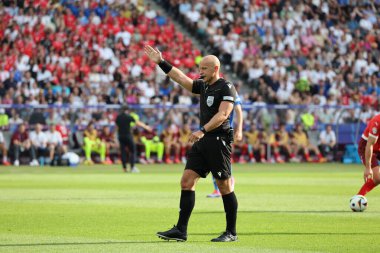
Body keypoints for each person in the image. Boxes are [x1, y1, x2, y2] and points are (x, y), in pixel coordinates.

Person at [145, 45, 238, 242]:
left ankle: (231, 232)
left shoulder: (226, 87)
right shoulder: (204, 85)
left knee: (224, 186)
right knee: (187, 181)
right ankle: (181, 230)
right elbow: (181, 79)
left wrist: (202, 130)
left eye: (204, 68)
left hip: (218, 140)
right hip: (203, 141)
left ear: (215, 69)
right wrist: (161, 62)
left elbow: (223, 115)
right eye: (200, 68)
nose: (200, 72)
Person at [207, 93, 243, 198]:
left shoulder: (229, 90)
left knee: (222, 159)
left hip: (224, 132)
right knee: (213, 160)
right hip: (211, 131)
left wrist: (239, 129)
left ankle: (226, 183)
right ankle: (219, 187)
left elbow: (238, 110)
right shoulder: (210, 90)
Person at [115, 105, 152, 173]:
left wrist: (116, 138)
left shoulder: (118, 117)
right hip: (128, 135)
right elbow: (137, 123)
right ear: (127, 110)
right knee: (133, 150)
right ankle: (132, 167)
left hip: (120, 136)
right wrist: (146, 127)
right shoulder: (128, 116)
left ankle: (124, 168)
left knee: (123, 152)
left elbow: (116, 127)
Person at [356, 114, 380, 196]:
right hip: (366, 147)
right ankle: (358, 197)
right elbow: (369, 145)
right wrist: (368, 168)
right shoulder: (376, 122)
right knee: (377, 178)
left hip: (378, 147)